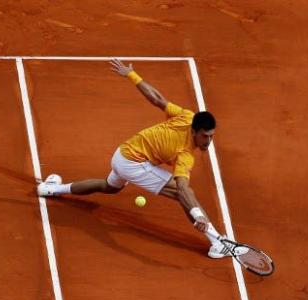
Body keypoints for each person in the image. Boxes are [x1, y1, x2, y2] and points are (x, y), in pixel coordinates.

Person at [37, 58, 229, 258]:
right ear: (195, 131)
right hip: (133, 162)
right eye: (205, 136)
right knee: (183, 195)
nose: (208, 141)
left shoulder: (187, 117)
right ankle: (216, 241)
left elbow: (158, 99)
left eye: (211, 136)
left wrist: (131, 74)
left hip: (123, 152)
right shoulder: (185, 154)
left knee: (109, 187)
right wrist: (197, 215)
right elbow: (182, 188)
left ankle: (51, 188)